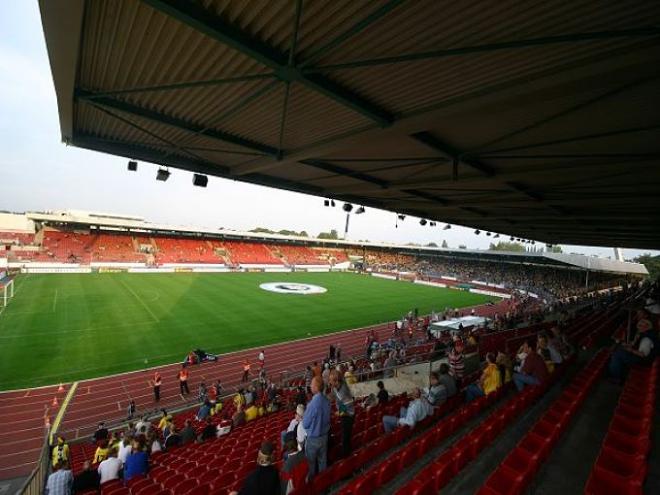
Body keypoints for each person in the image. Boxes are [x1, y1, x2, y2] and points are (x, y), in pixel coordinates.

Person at [608, 317, 657, 383]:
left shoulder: (646, 339)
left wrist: (630, 350)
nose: (638, 327)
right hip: (638, 356)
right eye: (638, 325)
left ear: (647, 327)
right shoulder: (642, 334)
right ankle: (616, 372)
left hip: (642, 361)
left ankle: (616, 378)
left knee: (617, 355)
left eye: (640, 326)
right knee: (618, 349)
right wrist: (625, 344)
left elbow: (643, 354)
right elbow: (634, 345)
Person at [302, 376, 330, 479]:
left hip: (313, 439)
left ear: (317, 387)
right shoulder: (326, 400)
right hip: (324, 437)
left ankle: (313, 487)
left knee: (311, 465)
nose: (310, 386)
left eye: (312, 384)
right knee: (323, 462)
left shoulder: (313, 404)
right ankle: (323, 484)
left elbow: (305, 424)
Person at [329, 370, 355, 457]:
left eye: (331, 380)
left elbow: (347, 408)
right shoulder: (337, 386)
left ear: (336, 381)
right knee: (345, 436)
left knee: (345, 437)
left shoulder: (343, 392)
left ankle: (346, 456)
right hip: (345, 411)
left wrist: (337, 413)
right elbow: (334, 395)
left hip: (348, 415)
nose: (330, 382)